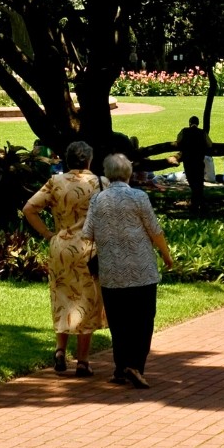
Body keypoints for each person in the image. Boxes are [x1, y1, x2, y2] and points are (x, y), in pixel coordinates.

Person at [83, 153, 176, 389]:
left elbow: (88, 233)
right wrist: (166, 256)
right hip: (141, 269)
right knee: (143, 320)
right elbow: (154, 230)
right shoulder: (139, 197)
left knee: (118, 322)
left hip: (111, 271)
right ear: (128, 174)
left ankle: (120, 366)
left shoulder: (98, 200)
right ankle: (135, 365)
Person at [22, 141, 105, 377]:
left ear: (67, 160)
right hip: (90, 248)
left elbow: (29, 208)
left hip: (61, 246)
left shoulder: (55, 182)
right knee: (87, 302)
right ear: (89, 160)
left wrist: (48, 234)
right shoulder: (101, 183)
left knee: (63, 298)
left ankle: (60, 350)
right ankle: (83, 360)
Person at [175, 116, 212, 210]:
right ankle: (200, 203)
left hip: (188, 161)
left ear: (189, 122)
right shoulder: (202, 132)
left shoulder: (184, 131)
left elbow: (178, 141)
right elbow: (209, 144)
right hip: (199, 161)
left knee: (192, 182)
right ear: (198, 123)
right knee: (199, 182)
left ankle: (195, 204)